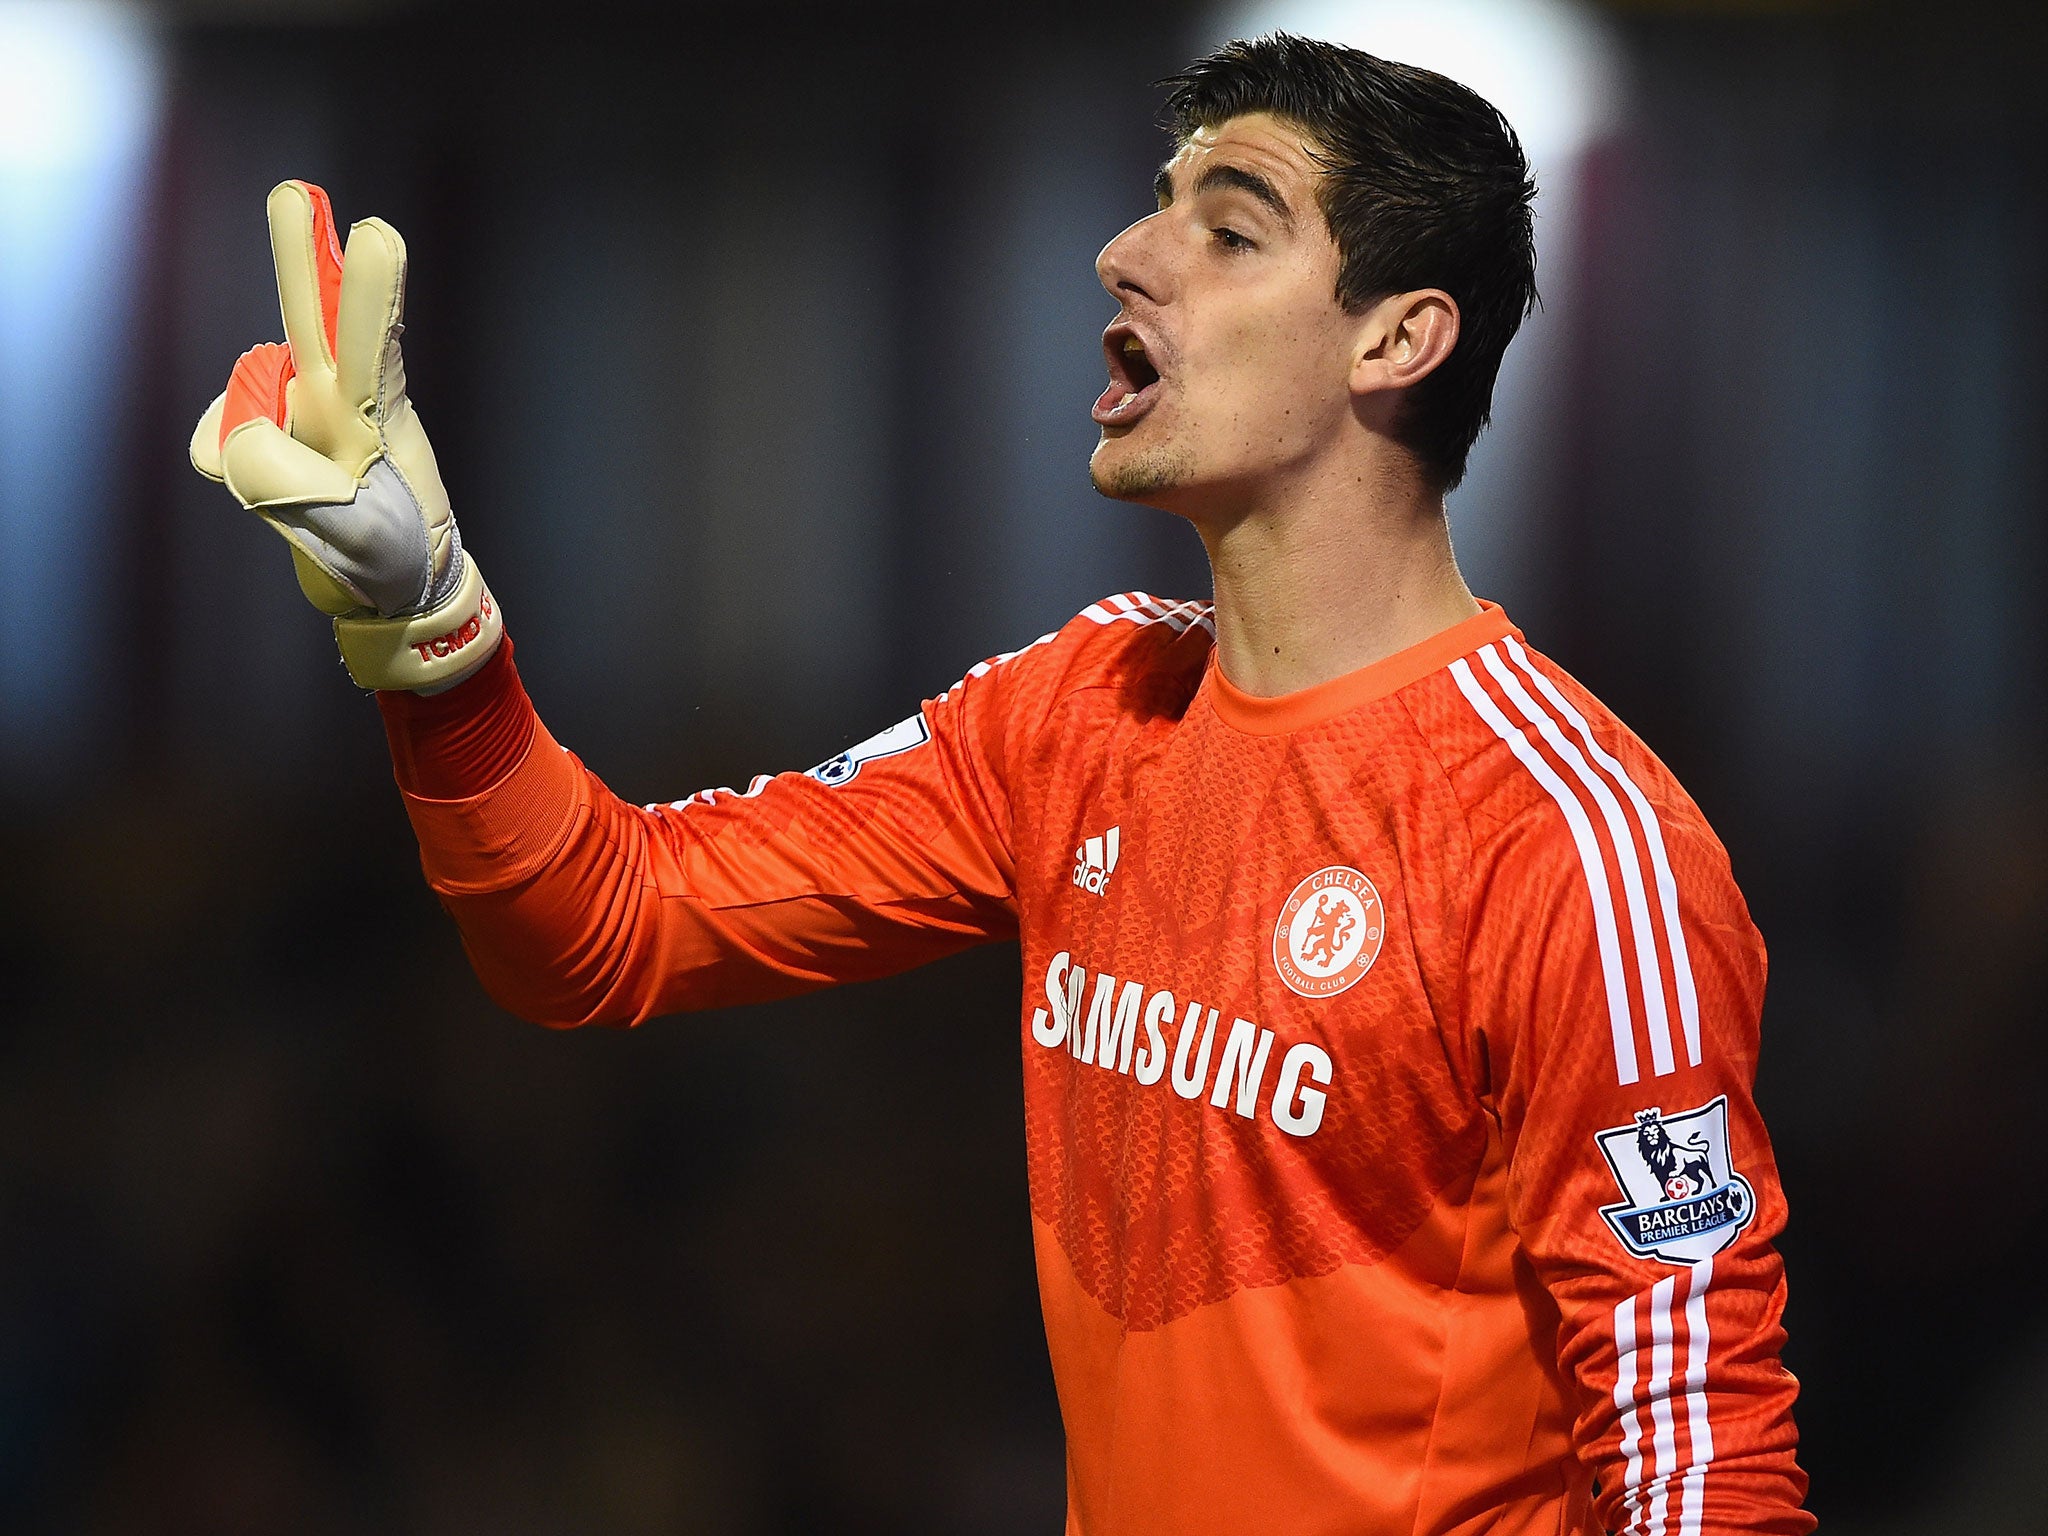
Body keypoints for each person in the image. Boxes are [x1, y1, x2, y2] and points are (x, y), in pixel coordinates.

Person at [189, 33, 1811, 1536]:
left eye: (1231, 229)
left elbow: (1701, 1471)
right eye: (1153, 203)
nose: (1125, 251)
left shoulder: (1573, 846)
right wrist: (435, 638)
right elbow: (598, 930)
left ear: (1399, 337)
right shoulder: (1081, 708)